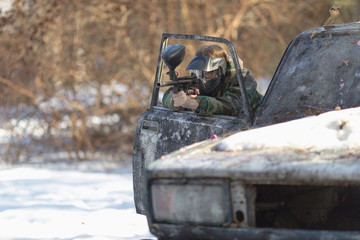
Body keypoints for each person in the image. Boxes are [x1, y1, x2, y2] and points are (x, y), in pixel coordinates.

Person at [162, 44, 263, 117]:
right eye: (198, 71)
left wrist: (194, 103)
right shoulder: (198, 78)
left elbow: (232, 106)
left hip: (261, 122)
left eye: (207, 72)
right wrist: (177, 100)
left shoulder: (243, 79)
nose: (202, 77)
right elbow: (166, 96)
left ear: (221, 69)